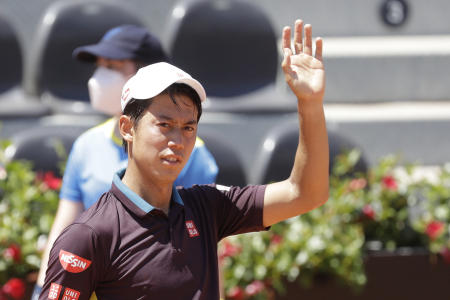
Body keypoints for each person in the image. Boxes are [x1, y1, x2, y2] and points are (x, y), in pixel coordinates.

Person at [39, 19, 328, 299]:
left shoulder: (207, 207)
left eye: (188, 127)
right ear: (128, 128)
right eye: (164, 125)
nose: (178, 141)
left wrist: (310, 103)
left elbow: (305, 193)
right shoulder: (87, 236)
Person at [33, 25, 218, 299]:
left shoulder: (192, 154)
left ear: (146, 74)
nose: (99, 76)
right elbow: (64, 225)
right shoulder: (86, 145)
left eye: (112, 66)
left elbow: (204, 246)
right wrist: (40, 289)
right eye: (100, 65)